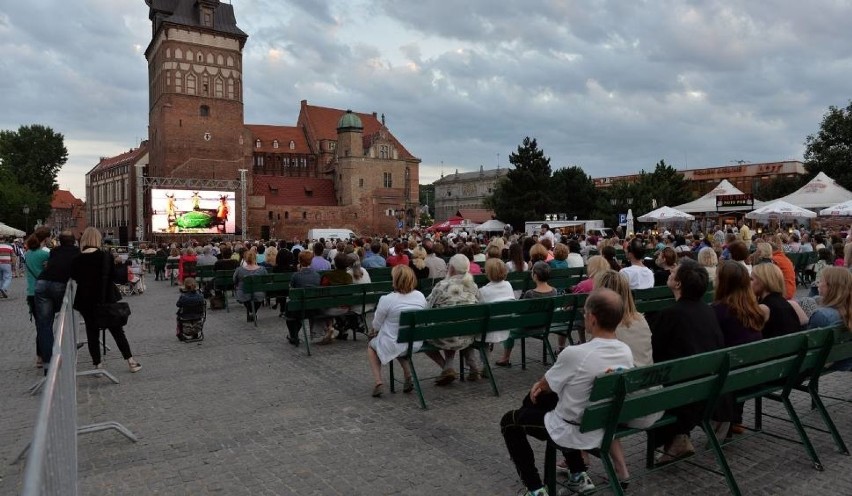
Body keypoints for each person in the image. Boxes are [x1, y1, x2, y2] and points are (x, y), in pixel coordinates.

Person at [500, 288, 634, 495]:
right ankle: (578, 475)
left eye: (585, 313)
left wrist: (538, 388)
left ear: (592, 318)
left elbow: (544, 385)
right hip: (600, 424)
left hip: (573, 430)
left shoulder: (576, 353)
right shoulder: (625, 351)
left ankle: (535, 488)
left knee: (510, 421)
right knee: (551, 400)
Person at [651, 259, 726, 462]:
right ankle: (679, 438)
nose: (669, 274)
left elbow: (657, 355)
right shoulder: (708, 310)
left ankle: (676, 439)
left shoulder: (669, 314)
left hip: (684, 390)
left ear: (678, 284)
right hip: (709, 383)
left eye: (673, 273)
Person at [71, 227, 141, 372]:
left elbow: (75, 277)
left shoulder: (77, 259)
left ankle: (97, 364)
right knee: (116, 330)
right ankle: (131, 361)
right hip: (106, 297)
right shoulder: (105, 256)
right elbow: (117, 277)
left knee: (92, 332)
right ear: (98, 239)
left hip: (85, 299)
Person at [367, 265, 428, 397]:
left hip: (397, 341)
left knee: (373, 346)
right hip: (415, 341)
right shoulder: (420, 296)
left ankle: (378, 381)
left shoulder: (387, 299)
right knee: (396, 341)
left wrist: (374, 332)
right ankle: (407, 374)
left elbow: (376, 324)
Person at [423, 254, 481, 385]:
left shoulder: (441, 286)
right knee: (460, 325)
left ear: (452, 269)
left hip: (445, 336)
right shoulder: (473, 286)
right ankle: (473, 367)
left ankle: (447, 367)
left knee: (442, 329)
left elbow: (426, 307)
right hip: (468, 334)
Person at [496, 262, 557, 367]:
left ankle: (505, 358)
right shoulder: (554, 291)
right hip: (544, 326)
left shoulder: (530, 293)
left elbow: (521, 312)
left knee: (507, 331)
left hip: (528, 327)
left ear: (535, 276)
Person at [808, 267, 852, 370]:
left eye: (821, 281)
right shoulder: (847, 311)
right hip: (846, 360)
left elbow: (809, 348)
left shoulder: (821, 315)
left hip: (820, 364)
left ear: (830, 286)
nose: (818, 284)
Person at [751, 262, 806, 338]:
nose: (748, 283)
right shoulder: (790, 304)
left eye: (751, 279)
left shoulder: (763, 308)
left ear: (762, 282)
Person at [24, 229, 51, 368]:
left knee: (39, 326)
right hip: (44, 293)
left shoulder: (27, 254)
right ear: (45, 239)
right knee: (46, 326)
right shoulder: (46, 254)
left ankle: (39, 357)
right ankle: (47, 357)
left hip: (31, 293)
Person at [285, 250, 322, 345]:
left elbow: (291, 291)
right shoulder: (317, 275)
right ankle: (294, 336)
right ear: (311, 261)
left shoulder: (296, 275)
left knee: (290, 310)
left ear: (299, 261)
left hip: (300, 308)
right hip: (315, 308)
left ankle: (294, 336)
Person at [233, 249, 267, 323]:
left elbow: (234, 280)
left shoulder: (239, 270)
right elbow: (266, 280)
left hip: (243, 293)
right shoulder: (262, 269)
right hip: (259, 293)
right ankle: (253, 311)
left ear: (245, 259)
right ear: (255, 258)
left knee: (245, 293)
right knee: (257, 294)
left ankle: (251, 311)